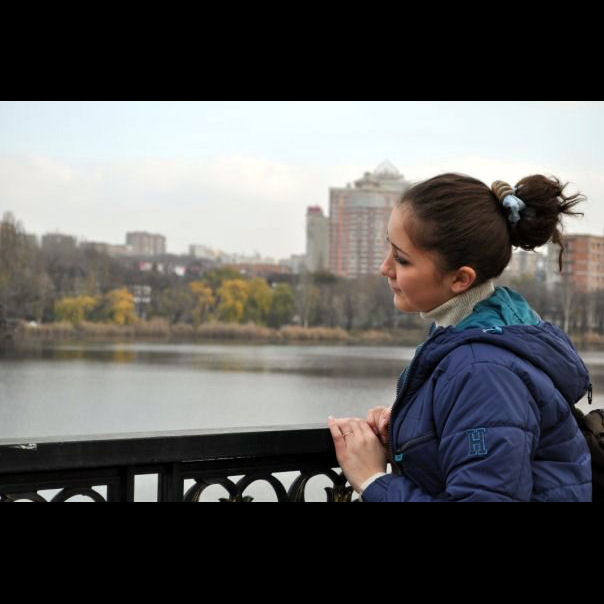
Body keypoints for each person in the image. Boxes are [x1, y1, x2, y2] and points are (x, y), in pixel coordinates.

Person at [327, 173, 592, 502]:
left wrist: (372, 481)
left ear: (460, 279)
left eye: (402, 259)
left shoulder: (483, 370)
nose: (385, 268)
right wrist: (408, 427)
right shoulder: (479, 336)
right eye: (389, 249)